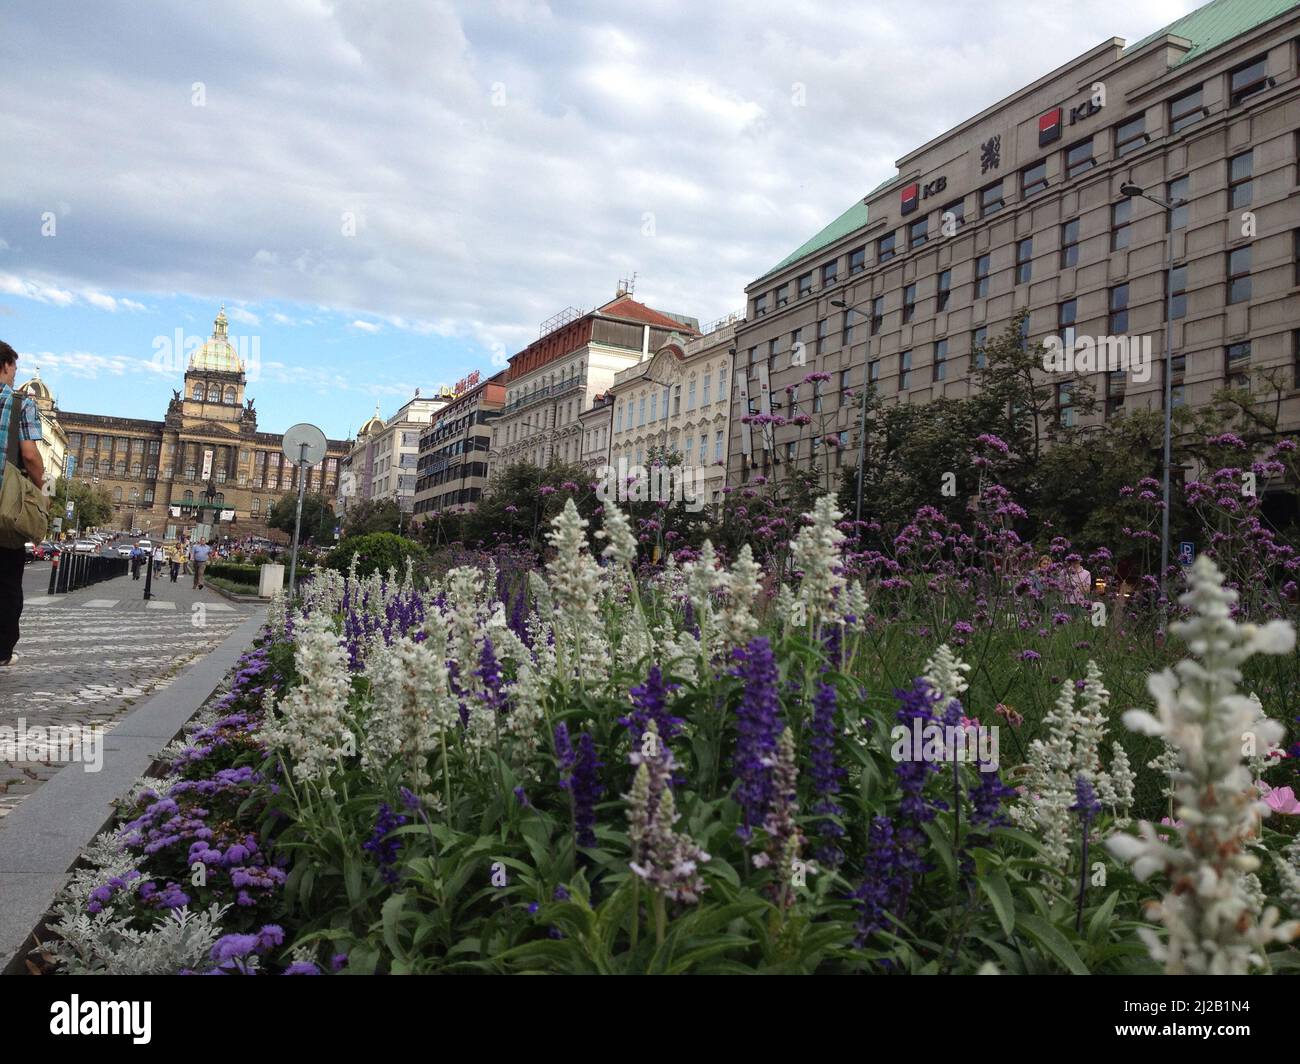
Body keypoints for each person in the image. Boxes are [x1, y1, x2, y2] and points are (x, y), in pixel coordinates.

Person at [0, 341, 45, 667]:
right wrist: (39, 488)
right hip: (5, 508)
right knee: (6, 583)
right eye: (14, 368)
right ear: (5, 366)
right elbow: (29, 455)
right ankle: (2, 651)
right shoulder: (20, 404)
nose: (15, 375)